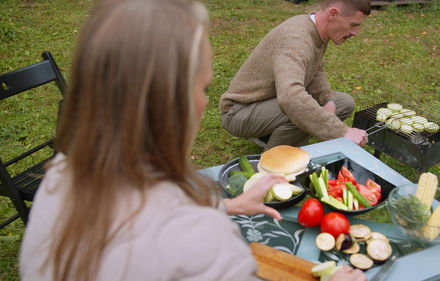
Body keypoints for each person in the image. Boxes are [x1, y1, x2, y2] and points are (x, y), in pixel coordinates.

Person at [19, 0, 367, 281]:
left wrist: (228, 205)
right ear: (171, 102)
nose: (203, 101)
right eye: (201, 88)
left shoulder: (61, 176)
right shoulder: (201, 239)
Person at [219, 0, 370, 150]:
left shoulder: (315, 30)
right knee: (299, 107)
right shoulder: (297, 40)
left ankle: (269, 135)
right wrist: (342, 131)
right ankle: (274, 164)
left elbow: (315, 69)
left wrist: (328, 101)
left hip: (268, 99)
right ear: (333, 14)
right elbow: (290, 98)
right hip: (239, 111)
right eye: (353, 25)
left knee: (344, 103)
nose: (355, 33)